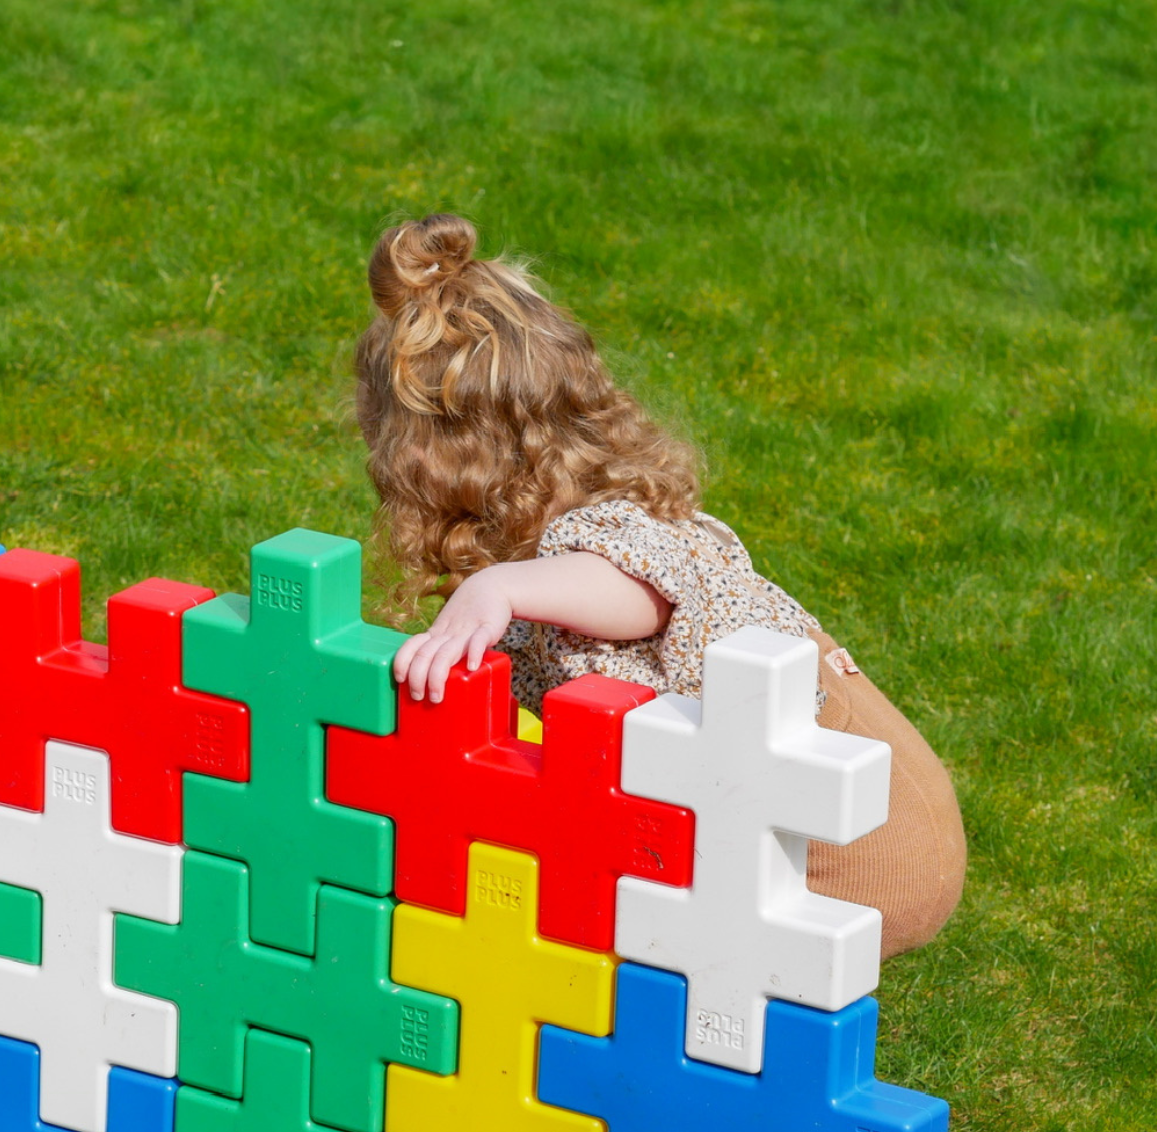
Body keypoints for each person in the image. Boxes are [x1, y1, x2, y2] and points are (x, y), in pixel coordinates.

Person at [356, 213, 965, 958]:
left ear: (423, 463)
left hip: (853, 853)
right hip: (854, 819)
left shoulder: (607, 543)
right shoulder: (584, 534)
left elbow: (637, 592)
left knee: (601, 919)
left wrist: (500, 588)